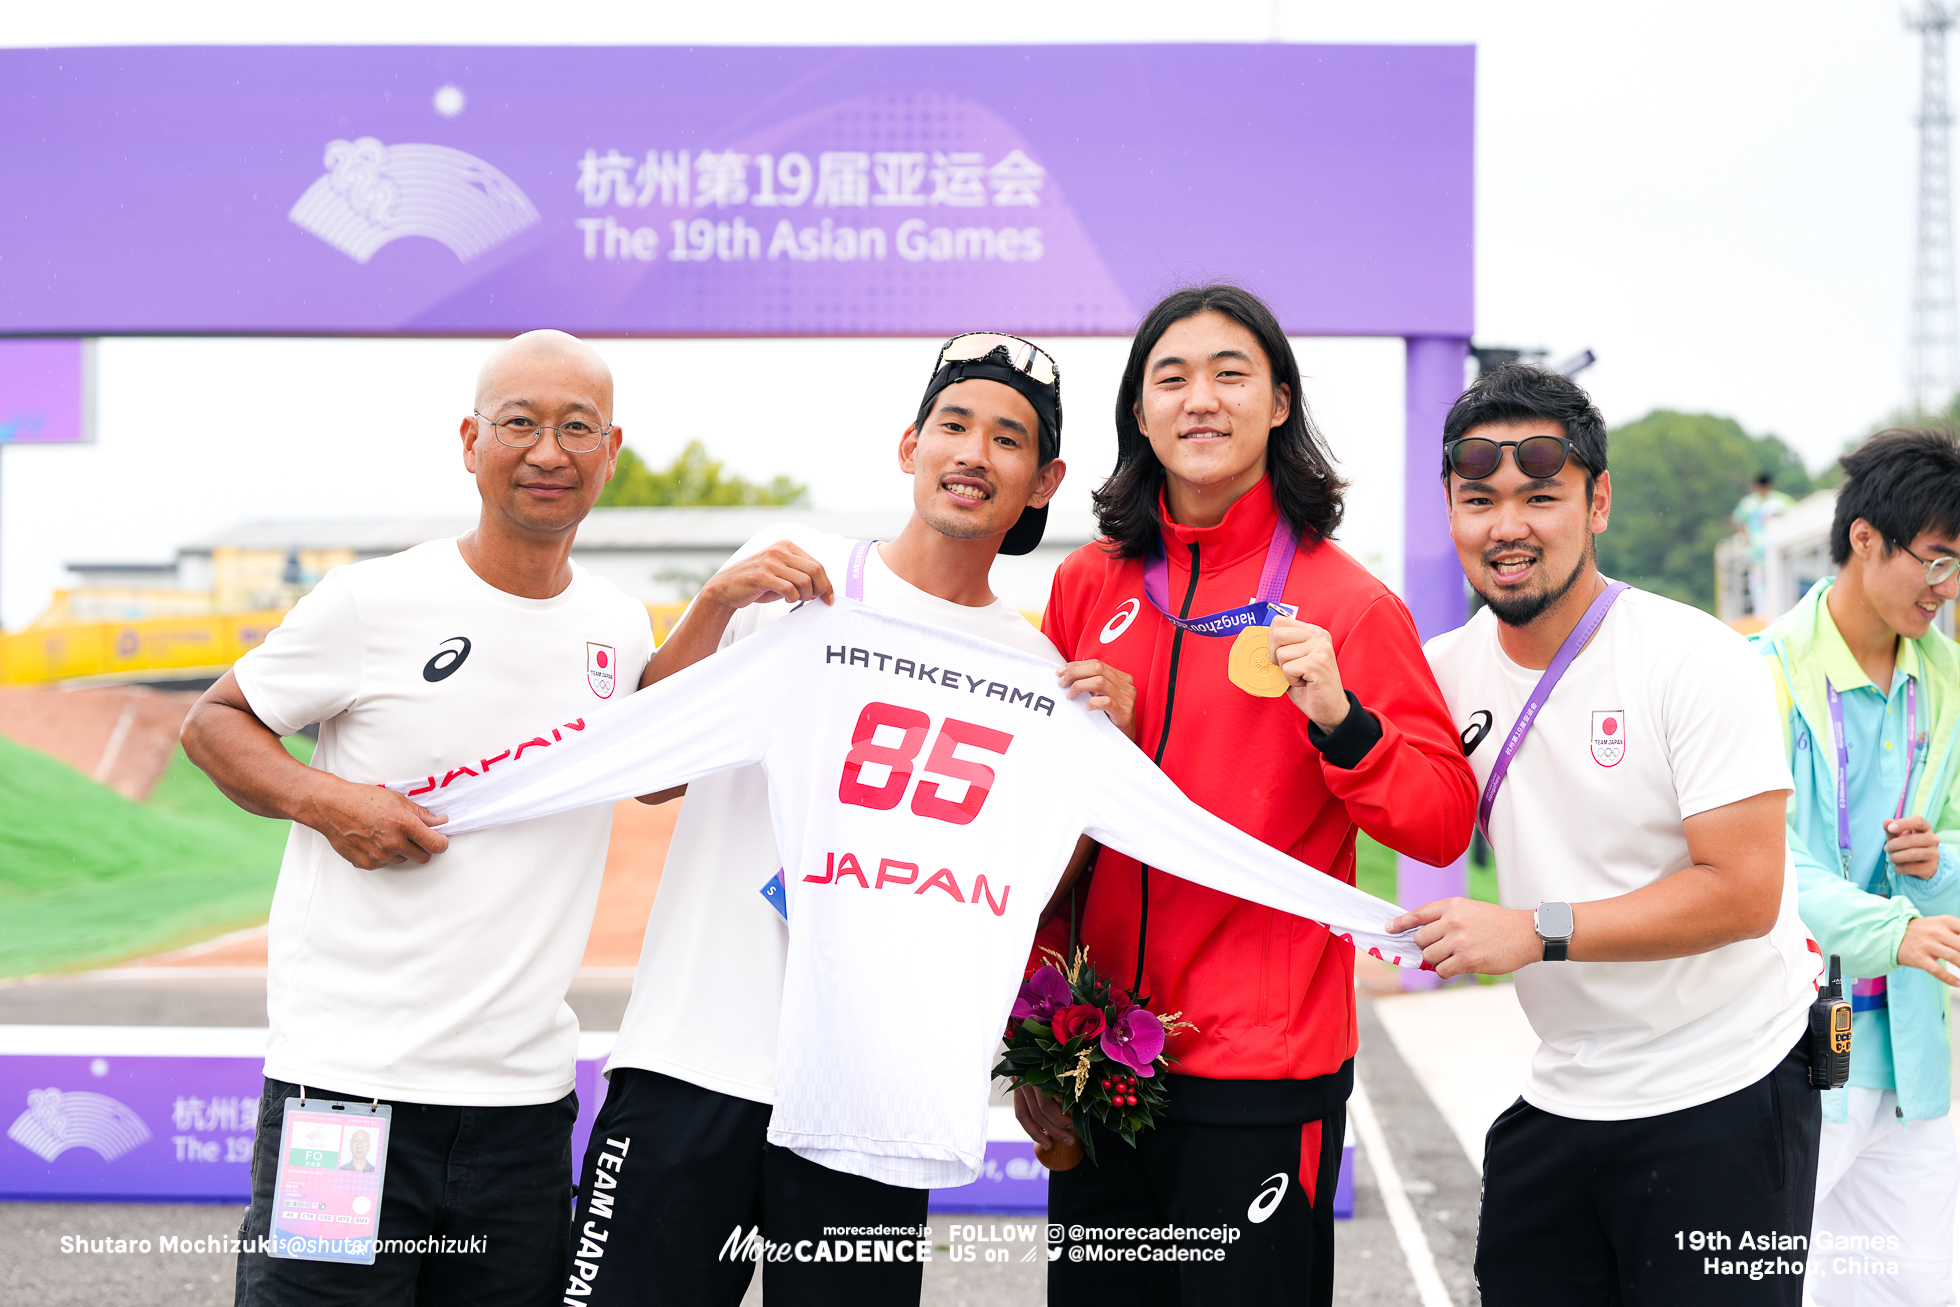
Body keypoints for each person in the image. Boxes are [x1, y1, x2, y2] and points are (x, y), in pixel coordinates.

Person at [564, 332, 1096, 1307]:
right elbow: (650, 774)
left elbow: (1018, 891)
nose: (974, 452)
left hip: (868, 1096)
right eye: (954, 424)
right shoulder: (790, 581)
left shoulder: (1036, 675)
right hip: (695, 1061)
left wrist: (1093, 769)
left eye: (1007, 438)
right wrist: (718, 603)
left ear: (1043, 477)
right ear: (909, 444)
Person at [1015, 284, 1478, 1305]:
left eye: (1232, 373)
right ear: (1138, 411)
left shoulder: (1348, 602)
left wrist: (1343, 720)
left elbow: (1443, 817)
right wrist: (1040, 1026)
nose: (1201, 399)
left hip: (1261, 1070)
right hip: (1100, 1054)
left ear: (1278, 402)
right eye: (1170, 377)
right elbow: (1043, 820)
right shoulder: (1087, 585)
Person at [180, 330, 653, 1307]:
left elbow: (664, 767)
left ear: (612, 451)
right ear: (471, 440)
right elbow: (213, 723)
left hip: (520, 1116)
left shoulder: (618, 625)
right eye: (519, 423)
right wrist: (329, 800)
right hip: (343, 1098)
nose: (548, 451)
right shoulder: (374, 599)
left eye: (578, 427)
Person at [1405, 363, 1819, 1305]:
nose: (1507, 527)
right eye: (1480, 500)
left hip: (1728, 1087)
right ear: (1450, 509)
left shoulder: (1697, 658)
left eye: (1540, 497)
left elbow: (1743, 892)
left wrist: (1533, 928)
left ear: (1596, 503)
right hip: (1564, 1089)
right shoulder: (1439, 672)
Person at [1754, 427, 1960, 1304]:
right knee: (1758, 1284)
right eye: (1936, 559)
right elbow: (1763, 866)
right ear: (1866, 538)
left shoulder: (1949, 677)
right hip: (1785, 1051)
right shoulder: (1760, 675)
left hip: (1912, 1057)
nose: (1946, 587)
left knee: (1917, 1288)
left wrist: (1939, 858)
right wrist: (1896, 927)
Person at [1734, 471, 1794, 615]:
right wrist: (1746, 539)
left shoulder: (1780, 501)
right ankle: (1761, 615)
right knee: (1758, 587)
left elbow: (1794, 517)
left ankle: (1778, 612)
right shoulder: (1748, 503)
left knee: (1777, 583)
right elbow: (1738, 521)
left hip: (1778, 550)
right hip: (1756, 552)